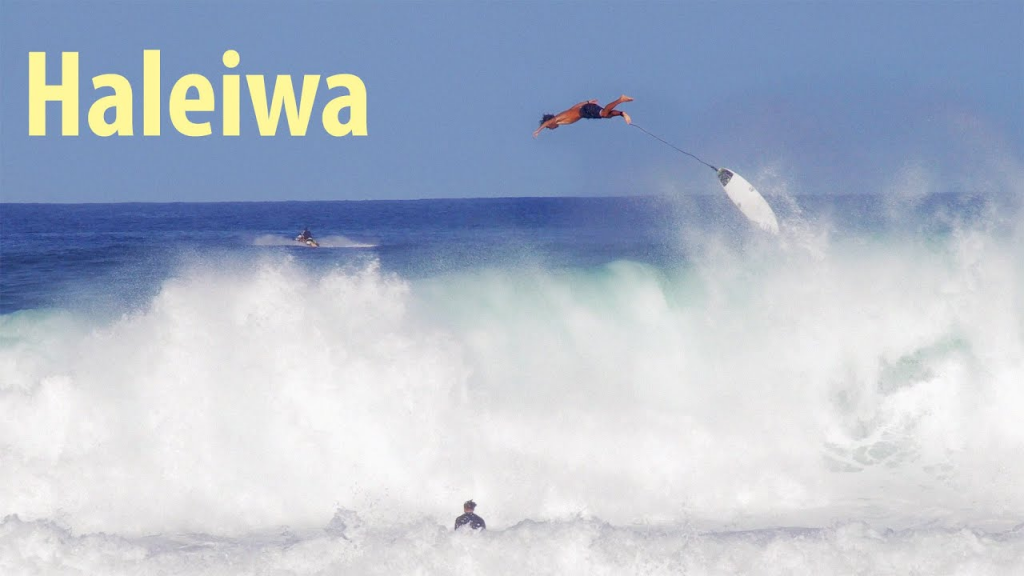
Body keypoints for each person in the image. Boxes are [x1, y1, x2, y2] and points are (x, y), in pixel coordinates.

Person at [533, 95, 633, 138]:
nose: (550, 128)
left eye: (549, 127)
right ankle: (621, 114)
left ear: (550, 123)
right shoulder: (560, 120)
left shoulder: (557, 119)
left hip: (586, 110)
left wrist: (538, 130)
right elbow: (573, 107)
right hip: (585, 112)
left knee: (604, 113)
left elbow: (546, 122)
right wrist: (588, 101)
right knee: (606, 116)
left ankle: (621, 99)